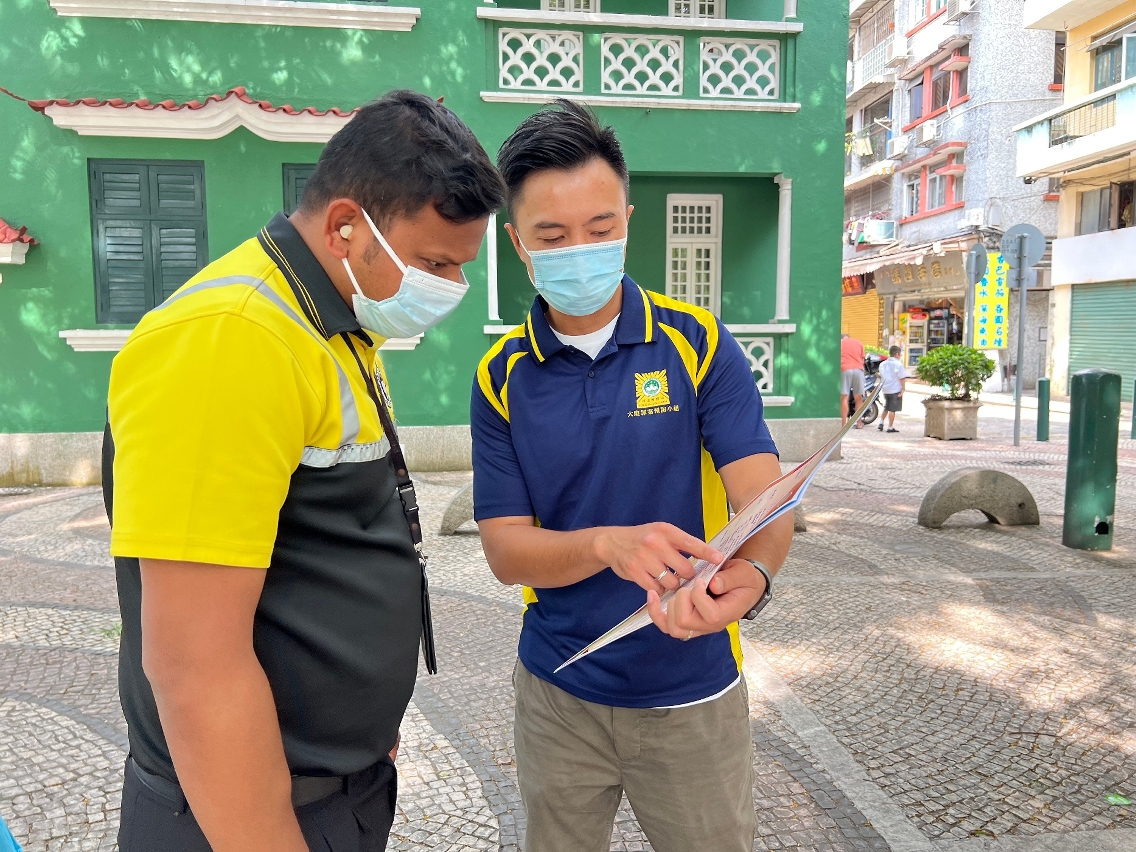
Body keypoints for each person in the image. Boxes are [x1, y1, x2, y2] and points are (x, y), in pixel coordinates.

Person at [104, 90, 505, 852]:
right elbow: (194, 667)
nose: (450, 288)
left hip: (332, 791)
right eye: (434, 263)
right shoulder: (232, 341)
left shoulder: (332, 324)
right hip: (244, 819)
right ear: (346, 225)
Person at [471, 100, 794, 852]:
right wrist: (605, 545)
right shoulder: (502, 376)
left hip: (693, 690)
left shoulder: (697, 343)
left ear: (627, 221)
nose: (579, 250)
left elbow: (765, 498)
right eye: (553, 236)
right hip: (558, 693)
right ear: (518, 242)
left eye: (600, 228)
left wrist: (756, 576)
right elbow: (506, 551)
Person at [877, 345, 907, 433]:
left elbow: (881, 375)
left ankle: (881, 422)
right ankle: (890, 427)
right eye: (900, 354)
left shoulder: (882, 364)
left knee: (887, 406)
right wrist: (903, 389)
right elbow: (902, 378)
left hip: (886, 389)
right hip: (895, 389)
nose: (900, 356)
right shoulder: (898, 364)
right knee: (892, 409)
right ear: (896, 354)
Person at [840, 332, 867, 427]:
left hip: (845, 369)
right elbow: (863, 360)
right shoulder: (859, 342)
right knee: (858, 398)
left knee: (844, 397)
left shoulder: (839, 343)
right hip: (858, 370)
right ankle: (859, 423)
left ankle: (844, 424)